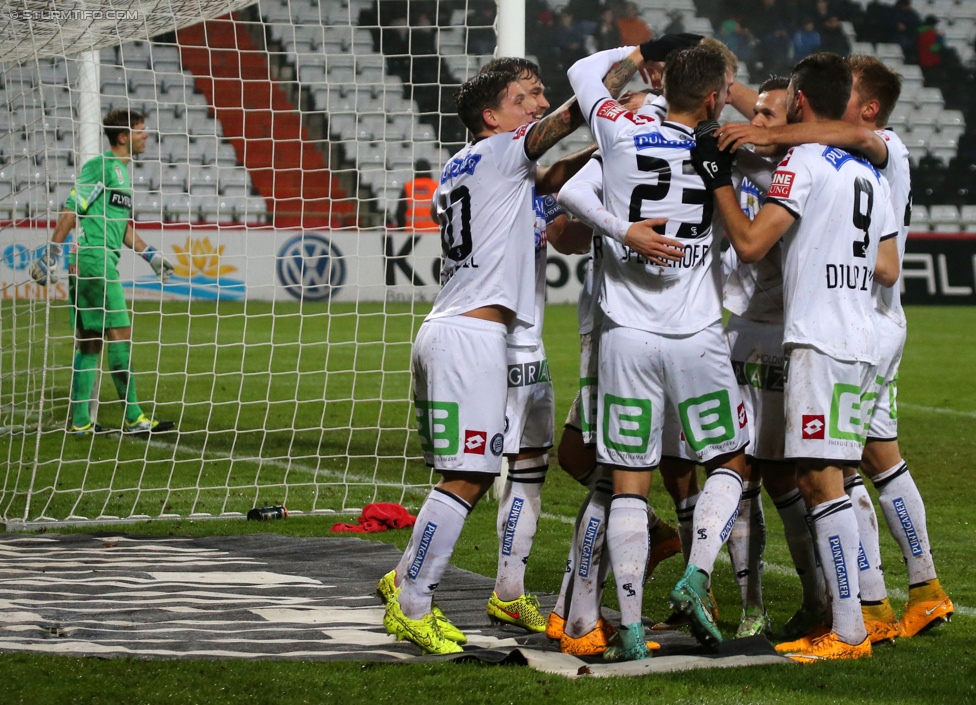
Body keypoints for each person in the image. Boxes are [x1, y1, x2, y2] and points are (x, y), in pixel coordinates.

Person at [375, 58, 630, 656]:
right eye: (525, 98)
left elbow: (552, 177)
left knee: (478, 470)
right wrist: (628, 73)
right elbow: (570, 118)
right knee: (468, 475)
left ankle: (413, 583)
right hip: (471, 338)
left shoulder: (475, 166)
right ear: (492, 116)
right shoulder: (499, 153)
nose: (537, 106)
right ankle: (413, 601)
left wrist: (607, 152)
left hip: (466, 331)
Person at [695, 52, 901, 662]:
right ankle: (846, 618)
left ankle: (848, 631)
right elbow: (887, 265)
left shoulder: (804, 162)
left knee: (818, 480)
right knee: (829, 475)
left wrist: (721, 182)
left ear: (801, 103)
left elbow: (754, 244)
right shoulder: (868, 171)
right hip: (862, 335)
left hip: (818, 340)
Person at [567, 42, 751, 660]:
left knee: (628, 481)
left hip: (624, 332)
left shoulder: (621, 129)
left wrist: (623, 229)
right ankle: (698, 573)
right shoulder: (722, 149)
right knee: (731, 458)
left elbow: (581, 77)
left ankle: (634, 628)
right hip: (696, 331)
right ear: (709, 98)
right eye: (723, 92)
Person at [30, 108, 175, 435]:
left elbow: (120, 227)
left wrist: (149, 254)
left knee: (90, 343)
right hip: (95, 263)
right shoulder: (101, 166)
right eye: (140, 130)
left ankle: (81, 422)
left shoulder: (121, 175)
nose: (146, 135)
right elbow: (74, 205)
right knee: (120, 335)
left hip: (89, 264)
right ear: (123, 136)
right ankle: (134, 417)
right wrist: (53, 250)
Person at [395, 159, 439, 232]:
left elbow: (400, 213)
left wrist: (401, 232)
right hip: (433, 234)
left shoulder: (408, 187)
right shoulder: (436, 187)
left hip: (411, 234)